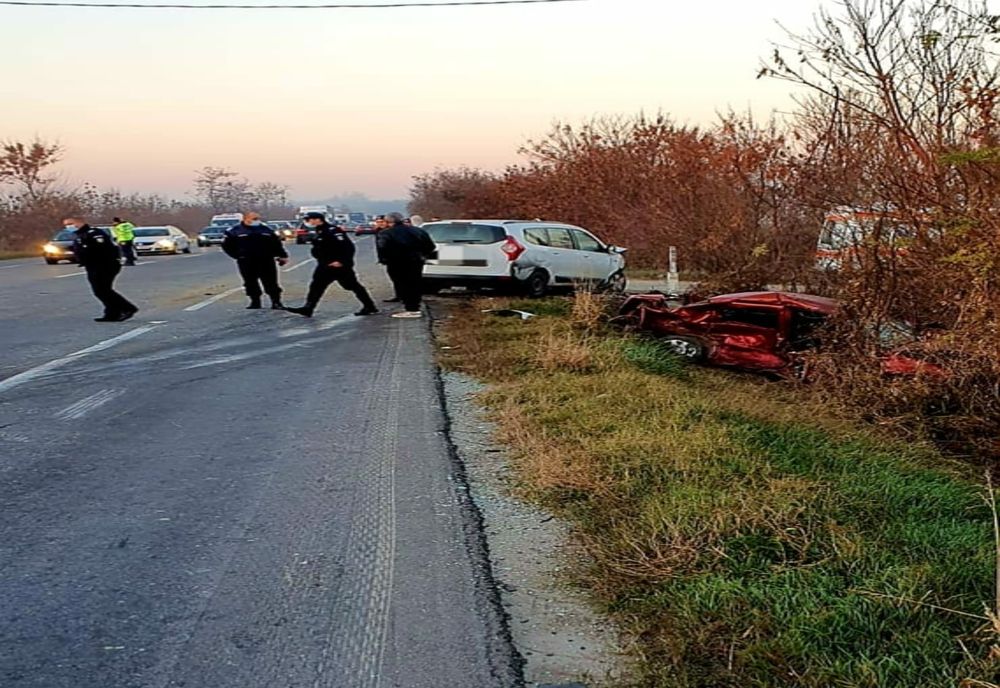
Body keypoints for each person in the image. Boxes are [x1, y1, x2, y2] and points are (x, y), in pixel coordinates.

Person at [286, 212, 378, 318]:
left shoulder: (333, 230)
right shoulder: (319, 230)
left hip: (338, 266)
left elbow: (347, 247)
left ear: (318, 219)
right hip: (325, 265)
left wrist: (342, 261)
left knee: (352, 285)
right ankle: (308, 308)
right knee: (316, 286)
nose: (307, 222)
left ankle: (370, 306)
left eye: (309, 220)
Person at [65, 216, 138, 322]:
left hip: (104, 265)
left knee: (102, 290)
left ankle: (128, 308)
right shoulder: (80, 234)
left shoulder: (94, 233)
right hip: (93, 265)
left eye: (69, 224)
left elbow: (102, 249)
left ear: (78, 223)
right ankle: (112, 313)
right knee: (102, 290)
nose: (68, 226)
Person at [222, 211, 289, 310]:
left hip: (266, 260)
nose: (257, 221)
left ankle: (276, 302)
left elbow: (276, 244)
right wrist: (238, 256)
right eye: (254, 219)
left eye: (258, 218)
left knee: (271, 282)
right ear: (246, 219)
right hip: (246, 261)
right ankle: (255, 302)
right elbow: (227, 246)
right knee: (250, 282)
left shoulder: (266, 230)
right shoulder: (234, 231)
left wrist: (282, 255)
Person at [376, 212, 437, 319]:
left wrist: (384, 259)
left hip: (396, 262)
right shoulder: (417, 230)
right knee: (415, 283)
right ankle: (415, 307)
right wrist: (423, 255)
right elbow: (431, 246)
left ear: (390, 222)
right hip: (416, 261)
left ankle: (411, 309)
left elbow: (383, 248)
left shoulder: (386, 233)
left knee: (402, 284)